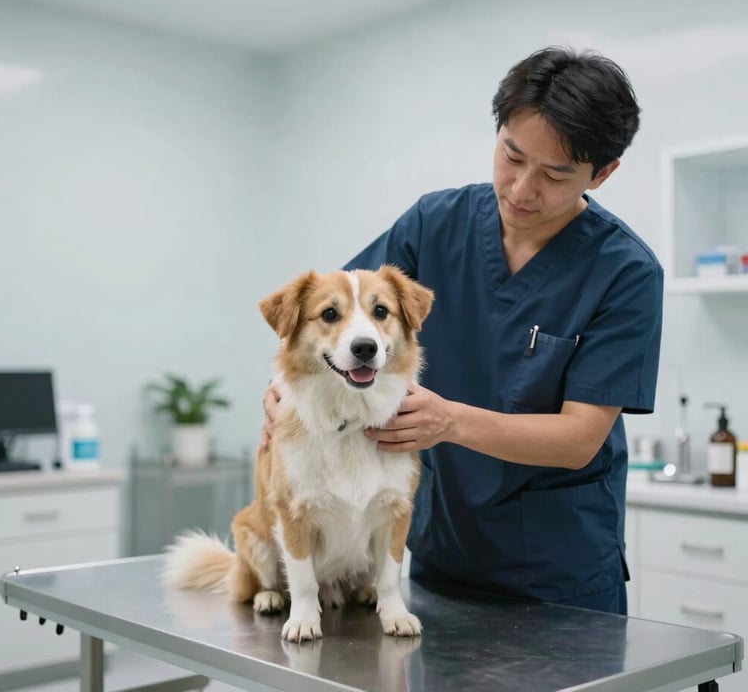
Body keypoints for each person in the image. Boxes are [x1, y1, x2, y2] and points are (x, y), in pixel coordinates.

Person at [262, 47, 664, 615]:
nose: (522, 189)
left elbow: (579, 440)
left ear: (602, 173)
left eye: (554, 175)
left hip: (557, 574)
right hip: (437, 551)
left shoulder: (626, 273)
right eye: (511, 155)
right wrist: (285, 396)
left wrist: (449, 420)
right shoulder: (433, 225)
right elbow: (333, 319)